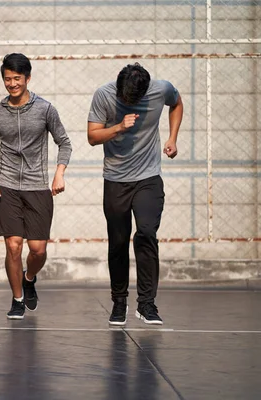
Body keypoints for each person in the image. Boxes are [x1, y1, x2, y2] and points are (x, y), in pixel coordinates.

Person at [87, 62, 183, 326]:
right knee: (118, 242)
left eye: (132, 99)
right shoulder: (104, 95)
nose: (127, 101)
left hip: (148, 178)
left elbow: (177, 103)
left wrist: (173, 137)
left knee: (146, 233)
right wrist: (118, 127)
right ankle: (119, 303)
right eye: (124, 97)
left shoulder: (160, 89)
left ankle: (147, 304)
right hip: (116, 180)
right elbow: (92, 137)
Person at [0, 53, 72, 320]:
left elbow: (64, 142)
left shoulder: (45, 109)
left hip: (37, 186)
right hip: (6, 186)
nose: (12, 84)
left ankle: (29, 278)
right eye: (7, 79)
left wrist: (59, 173)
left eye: (17, 79)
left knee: (37, 249)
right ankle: (18, 298)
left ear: (27, 78)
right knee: (13, 246)